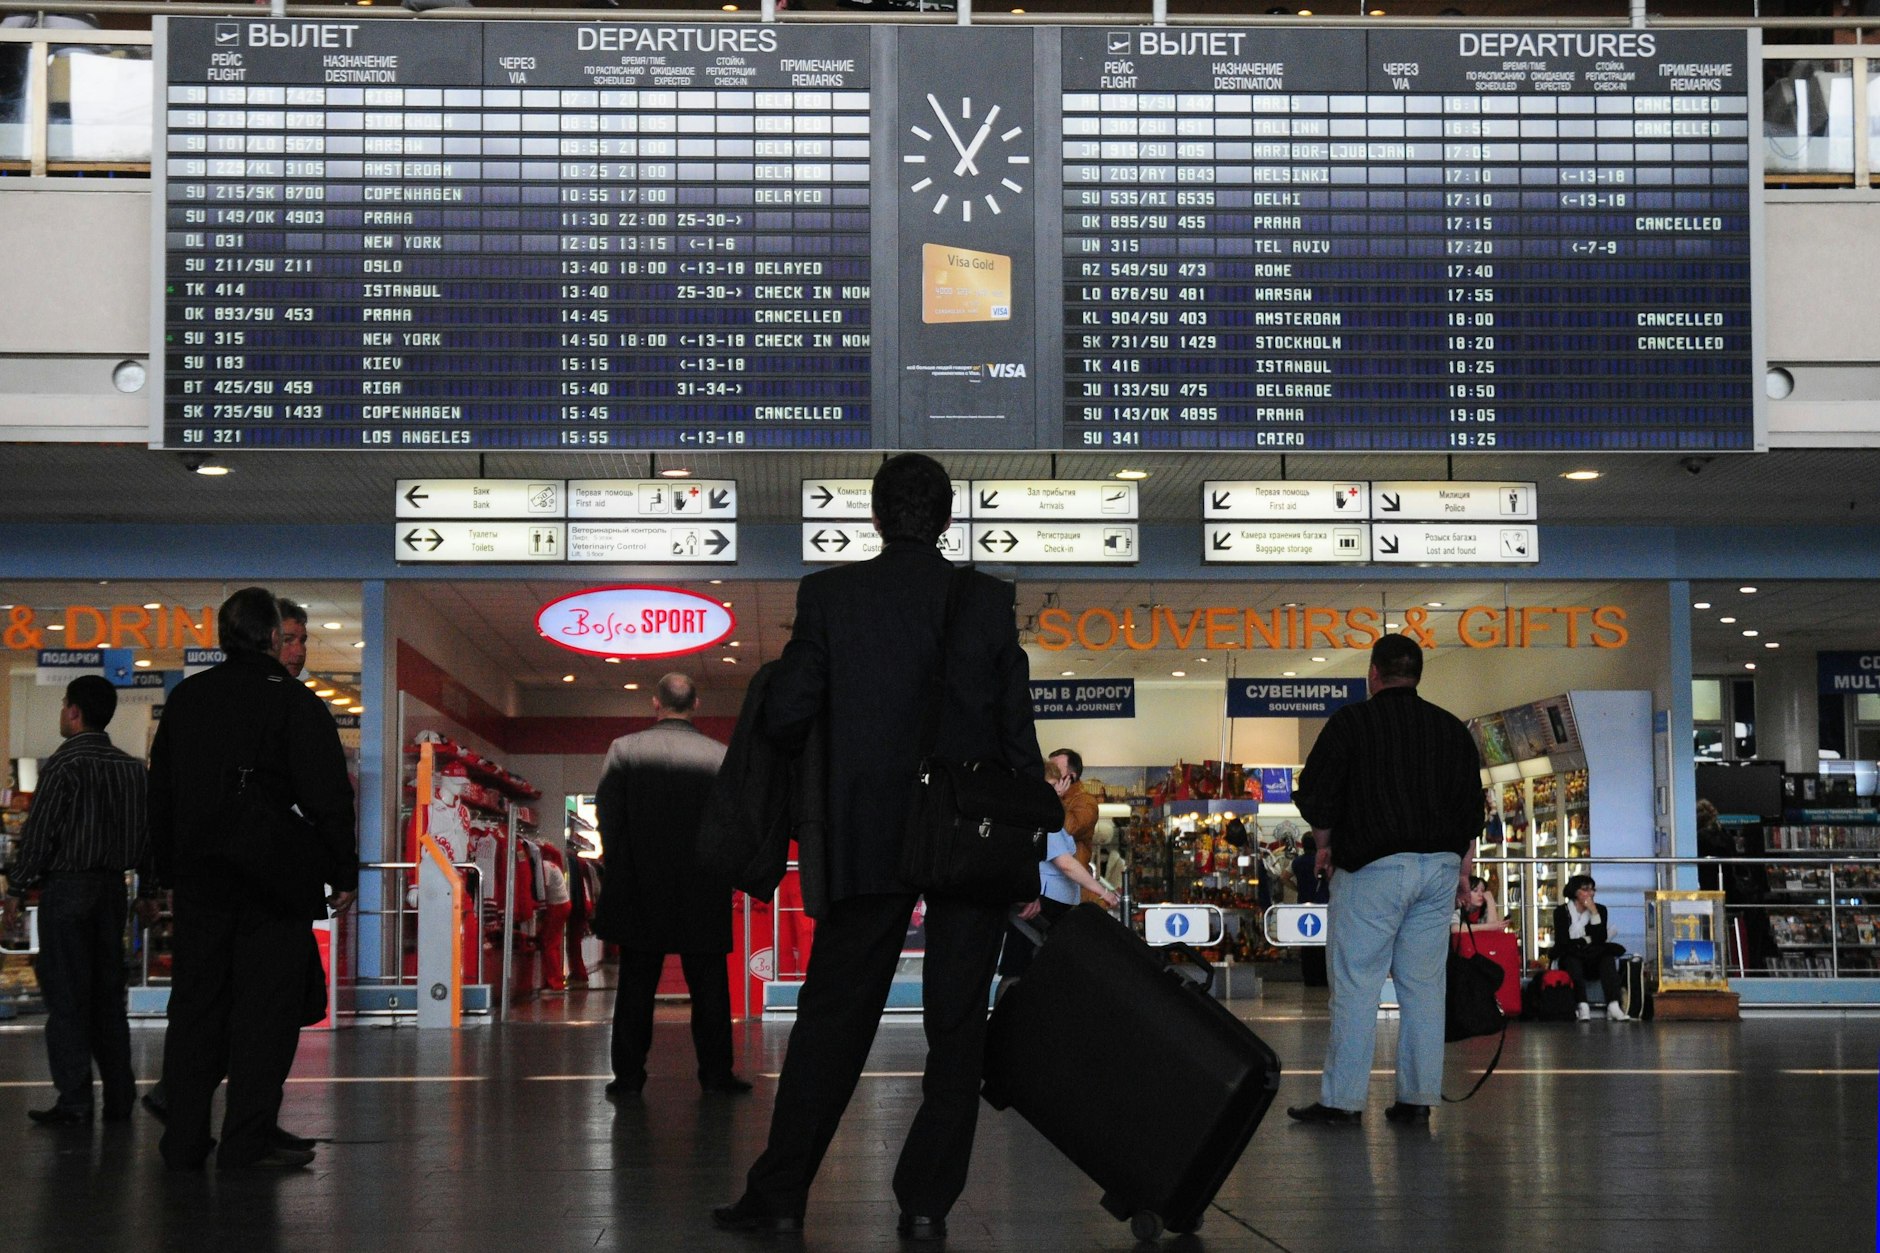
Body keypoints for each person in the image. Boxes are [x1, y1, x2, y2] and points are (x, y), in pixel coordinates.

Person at [715, 453, 1041, 1243]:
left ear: (874, 516)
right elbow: (1016, 735)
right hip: (970, 838)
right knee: (956, 1026)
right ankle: (926, 1202)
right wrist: (1025, 854)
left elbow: (789, 714)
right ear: (948, 518)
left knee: (833, 1019)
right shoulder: (987, 601)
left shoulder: (831, 595)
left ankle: (782, 1192)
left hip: (867, 838)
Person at [147, 587, 357, 1171]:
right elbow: (328, 796)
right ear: (269, 636)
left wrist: (165, 871)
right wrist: (342, 870)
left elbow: (160, 793)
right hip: (272, 883)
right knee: (265, 1015)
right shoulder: (293, 702)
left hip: (201, 882)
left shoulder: (187, 699)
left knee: (196, 1011)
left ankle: (183, 1140)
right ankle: (246, 1140)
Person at [1285, 634, 1483, 1127]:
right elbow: (1471, 811)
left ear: (1373, 673)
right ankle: (1417, 1098)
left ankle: (1343, 1101)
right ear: (1417, 674)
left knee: (1357, 984)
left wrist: (1324, 844)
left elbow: (1317, 794)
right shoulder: (1450, 728)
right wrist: (1463, 871)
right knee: (1424, 986)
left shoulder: (1351, 722)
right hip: (1439, 870)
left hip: (1373, 868)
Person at [592, 672, 746, 1097]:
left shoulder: (624, 750)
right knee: (709, 984)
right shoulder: (718, 755)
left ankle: (628, 1078)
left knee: (637, 983)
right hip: (703, 884)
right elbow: (731, 821)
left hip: (641, 883)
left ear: (655, 703)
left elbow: (608, 814)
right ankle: (717, 1075)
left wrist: (622, 866)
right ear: (696, 704)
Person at [6, 675, 146, 1125]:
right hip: (113, 891)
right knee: (108, 997)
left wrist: (16, 888)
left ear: (74, 712)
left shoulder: (64, 764)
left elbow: (40, 835)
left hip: (67, 890)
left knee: (67, 996)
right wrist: (148, 891)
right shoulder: (131, 769)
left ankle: (76, 1101)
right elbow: (148, 838)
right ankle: (120, 1098)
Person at [997, 761, 1120, 990]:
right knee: (1019, 970)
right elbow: (1065, 864)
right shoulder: (1040, 819)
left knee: (1034, 971)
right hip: (1039, 904)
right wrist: (1102, 891)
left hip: (1049, 904)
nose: (1055, 790)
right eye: (1050, 786)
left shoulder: (1049, 817)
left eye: (1056, 785)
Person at [1552, 874, 1628, 1022]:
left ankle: (1613, 1004)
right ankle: (1582, 1005)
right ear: (1575, 892)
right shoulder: (1561, 912)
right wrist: (1586, 939)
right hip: (1571, 957)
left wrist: (1593, 913)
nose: (1590, 893)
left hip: (1593, 957)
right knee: (1572, 959)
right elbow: (1563, 941)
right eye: (1585, 889)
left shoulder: (1600, 910)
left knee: (1607, 958)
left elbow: (1600, 939)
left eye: (1592, 890)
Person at [1048, 747, 1102, 904]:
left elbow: (1070, 829)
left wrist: (1055, 799)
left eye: (1056, 770)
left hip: (1071, 885)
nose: (1050, 774)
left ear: (1070, 777)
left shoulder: (1086, 802)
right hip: (1051, 882)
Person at [1291, 834, 1330, 988]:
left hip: (1304, 904)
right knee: (1323, 942)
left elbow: (1284, 876)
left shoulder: (1297, 862)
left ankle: (1309, 977)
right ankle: (1323, 976)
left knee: (1306, 942)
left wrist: (1297, 888)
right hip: (1322, 904)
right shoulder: (1324, 861)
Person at [539, 847, 572, 993]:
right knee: (554, 943)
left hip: (556, 905)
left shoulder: (545, 866)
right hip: (563, 904)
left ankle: (554, 983)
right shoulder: (553, 865)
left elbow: (543, 889)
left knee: (549, 944)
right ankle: (556, 979)